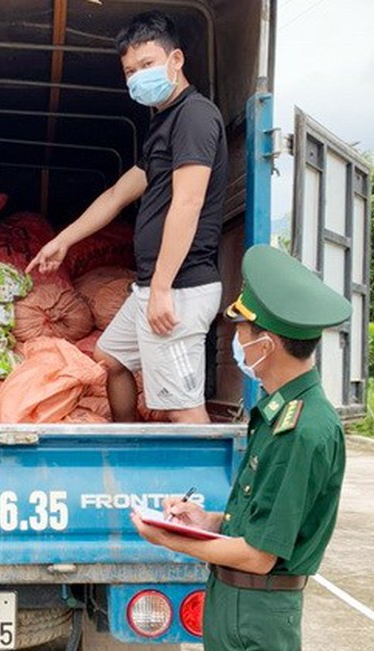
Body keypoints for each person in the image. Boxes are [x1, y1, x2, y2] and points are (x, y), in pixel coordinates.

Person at [131, 244, 353, 651]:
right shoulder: (282, 412)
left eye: (244, 331)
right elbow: (265, 521)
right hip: (241, 603)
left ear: (266, 344)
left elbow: (259, 556)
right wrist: (205, 521)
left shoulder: (302, 429)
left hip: (256, 609)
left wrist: (169, 540)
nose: (237, 342)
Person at [26, 10, 228, 424]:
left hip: (180, 287)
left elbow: (187, 204)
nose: (138, 76)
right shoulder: (163, 123)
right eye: (130, 70)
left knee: (181, 407)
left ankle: (196, 491)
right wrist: (63, 239)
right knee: (110, 358)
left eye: (148, 65)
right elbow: (118, 194)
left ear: (176, 60)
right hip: (152, 285)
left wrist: (161, 288)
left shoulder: (194, 117)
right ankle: (126, 441)